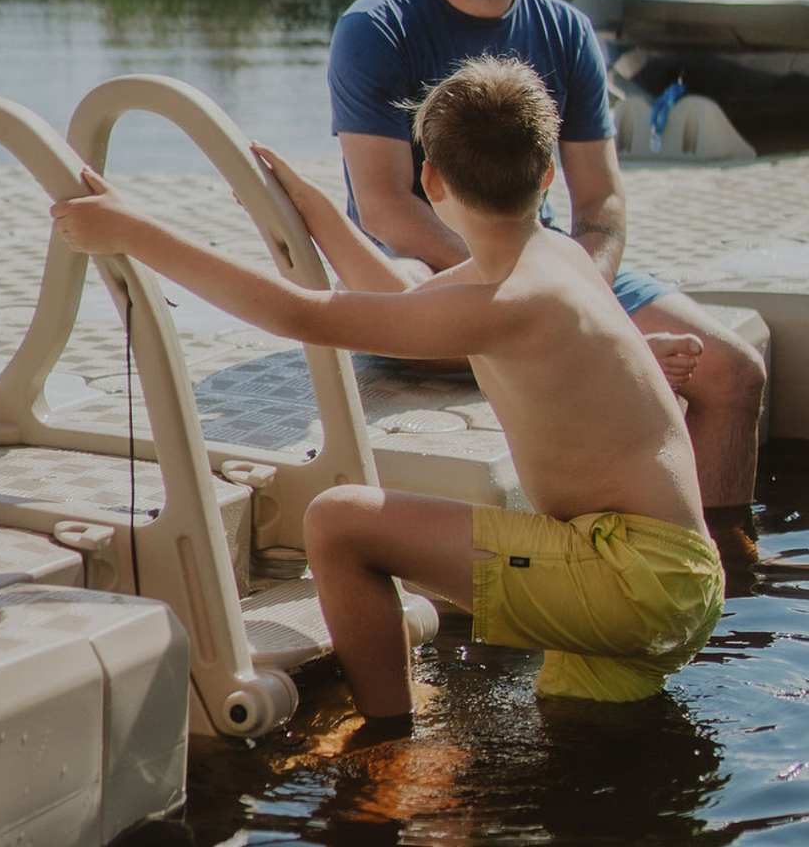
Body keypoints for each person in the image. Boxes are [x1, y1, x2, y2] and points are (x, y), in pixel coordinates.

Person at [51, 54, 725, 723]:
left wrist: (133, 232)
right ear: (547, 175)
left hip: (626, 576)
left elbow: (302, 315)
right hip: (673, 577)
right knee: (579, 730)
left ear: (430, 179)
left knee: (340, 522)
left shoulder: (507, 301)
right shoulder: (552, 260)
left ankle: (387, 745)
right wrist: (320, 215)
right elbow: (401, 298)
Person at [328, 0, 764, 560]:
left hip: (557, 263)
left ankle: (722, 563)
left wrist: (579, 295)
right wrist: (555, 312)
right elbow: (385, 207)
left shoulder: (566, 30)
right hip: (424, 268)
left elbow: (603, 203)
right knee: (413, 300)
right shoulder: (376, 29)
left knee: (733, 371)